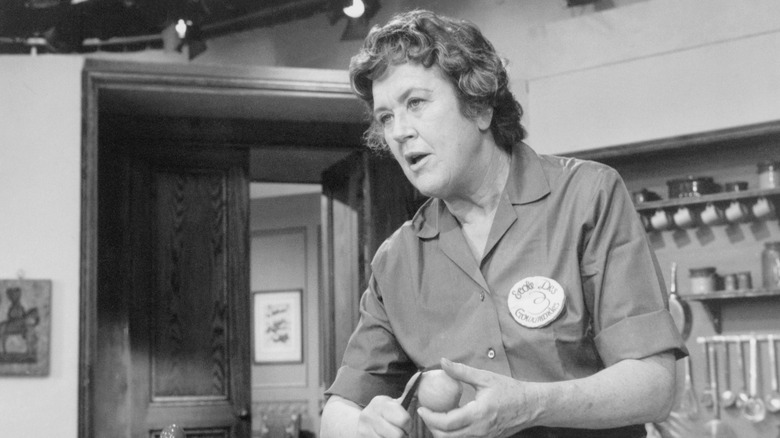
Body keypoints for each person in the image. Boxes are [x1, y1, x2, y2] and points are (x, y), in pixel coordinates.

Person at [320, 9, 686, 438]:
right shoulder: (396, 260)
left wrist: (532, 405)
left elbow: (657, 387)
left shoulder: (588, 197)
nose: (398, 131)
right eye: (385, 117)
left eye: (415, 103)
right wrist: (362, 424)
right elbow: (337, 412)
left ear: (479, 107)